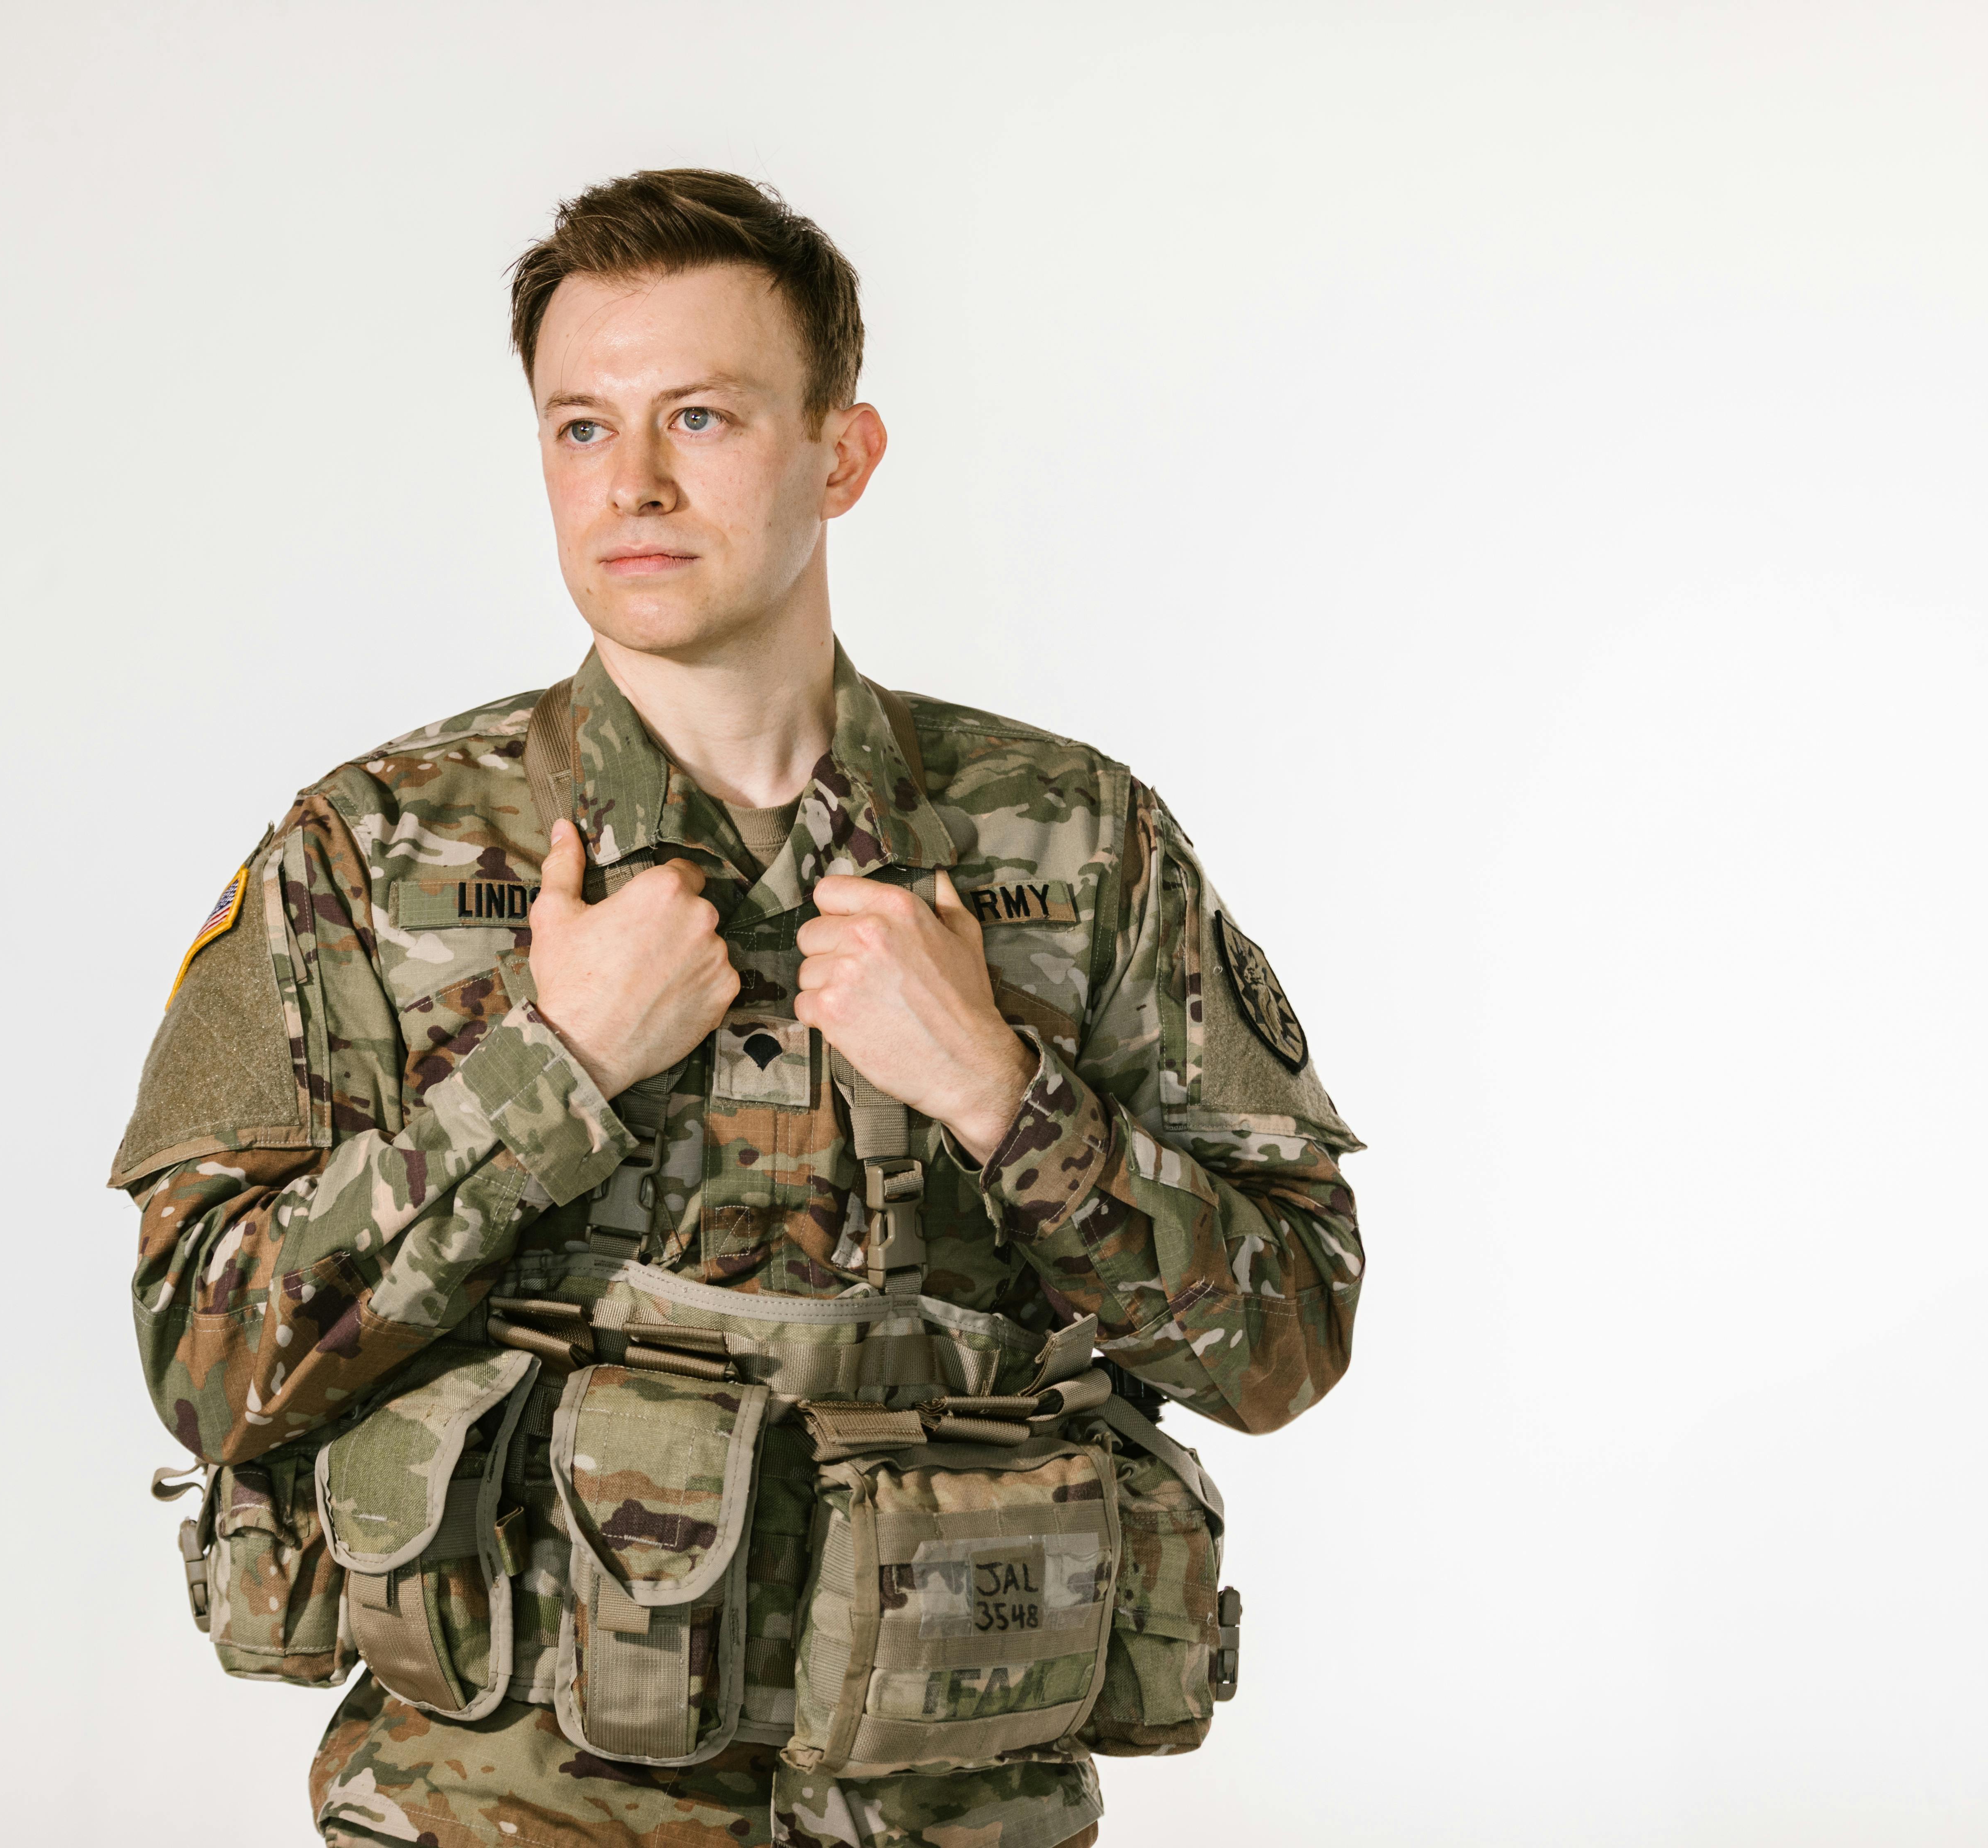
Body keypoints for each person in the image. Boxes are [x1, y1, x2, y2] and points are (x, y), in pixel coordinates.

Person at [110, 169, 1363, 1848]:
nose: (629, 484)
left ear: (840, 454)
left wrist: (1002, 1094)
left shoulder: (1072, 842)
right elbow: (208, 1358)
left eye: (699, 417)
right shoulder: (369, 854)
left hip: (949, 1806)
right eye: (578, 427)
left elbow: (1289, 1337)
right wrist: (550, 1076)